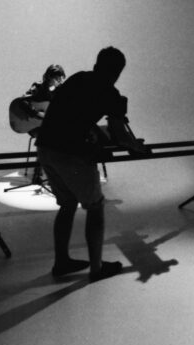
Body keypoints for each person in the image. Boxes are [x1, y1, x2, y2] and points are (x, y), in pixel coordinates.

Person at [35, 47, 128, 282]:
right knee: (95, 207)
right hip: (70, 153)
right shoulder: (110, 92)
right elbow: (119, 132)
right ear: (117, 73)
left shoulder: (78, 78)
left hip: (45, 147)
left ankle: (62, 262)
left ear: (96, 64)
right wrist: (134, 145)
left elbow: (74, 113)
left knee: (67, 205)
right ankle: (96, 269)